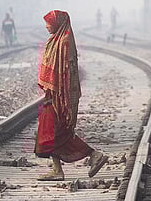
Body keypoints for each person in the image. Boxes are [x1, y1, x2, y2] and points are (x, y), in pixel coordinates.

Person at [35, 10, 108, 181]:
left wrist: (62, 96)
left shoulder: (65, 41)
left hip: (60, 95)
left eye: (49, 22)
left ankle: (93, 155)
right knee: (50, 132)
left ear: (57, 23)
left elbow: (66, 72)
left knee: (57, 133)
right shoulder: (55, 39)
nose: (46, 26)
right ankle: (58, 169)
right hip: (52, 94)